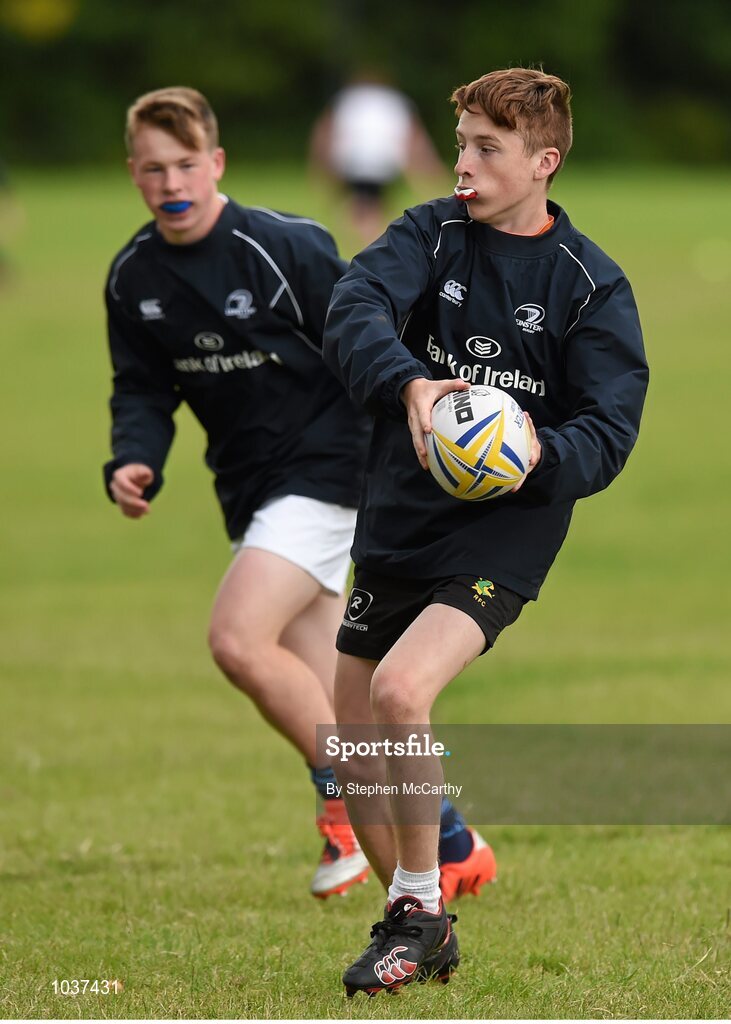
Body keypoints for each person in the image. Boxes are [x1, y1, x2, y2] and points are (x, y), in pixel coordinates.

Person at [102, 85, 492, 902]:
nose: (170, 182)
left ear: (216, 164)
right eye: (151, 169)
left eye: (184, 164)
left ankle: (343, 804)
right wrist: (133, 458)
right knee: (337, 689)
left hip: (332, 466)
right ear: (133, 175)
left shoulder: (283, 248)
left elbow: (371, 324)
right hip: (250, 489)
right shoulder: (133, 277)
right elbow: (140, 388)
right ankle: (448, 847)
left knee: (237, 638)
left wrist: (415, 403)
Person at [322, 67, 648, 995]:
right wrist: (411, 384)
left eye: (485, 148)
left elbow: (609, 428)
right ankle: (411, 918)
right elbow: (354, 306)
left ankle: (419, 908)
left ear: (543, 162)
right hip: (401, 510)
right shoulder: (429, 234)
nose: (461, 163)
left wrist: (529, 458)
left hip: (505, 528)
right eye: (459, 142)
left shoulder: (589, 285)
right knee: (351, 737)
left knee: (398, 691)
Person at [309, 73, 446, 247]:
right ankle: (371, 244)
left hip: (353, 160)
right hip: (383, 163)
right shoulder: (395, 101)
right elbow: (414, 136)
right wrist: (426, 168)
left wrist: (321, 164)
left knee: (362, 206)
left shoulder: (347, 99)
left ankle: (364, 243)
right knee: (370, 207)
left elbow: (325, 130)